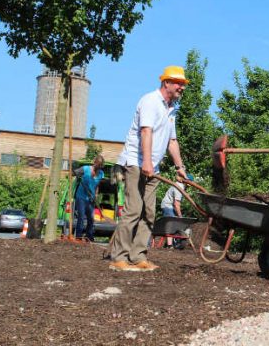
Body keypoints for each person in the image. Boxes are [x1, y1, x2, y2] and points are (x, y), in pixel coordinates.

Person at [109, 65, 189, 272]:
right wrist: (146, 162)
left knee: (149, 213)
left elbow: (172, 141)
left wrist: (179, 166)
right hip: (137, 163)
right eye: (179, 83)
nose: (182, 87)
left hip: (154, 168)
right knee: (133, 210)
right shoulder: (150, 101)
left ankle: (138, 256)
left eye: (183, 84)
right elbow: (146, 132)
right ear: (166, 83)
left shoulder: (171, 109)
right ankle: (119, 257)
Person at [73, 155, 105, 241]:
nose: (97, 167)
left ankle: (89, 236)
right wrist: (76, 174)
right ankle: (78, 236)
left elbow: (97, 185)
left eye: (100, 166)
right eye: (97, 165)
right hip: (81, 197)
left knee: (91, 218)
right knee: (81, 216)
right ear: (94, 163)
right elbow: (74, 172)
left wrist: (96, 195)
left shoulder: (101, 173)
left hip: (91, 198)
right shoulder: (85, 169)